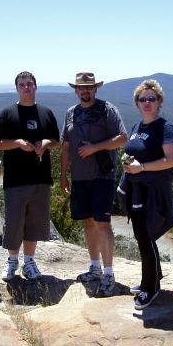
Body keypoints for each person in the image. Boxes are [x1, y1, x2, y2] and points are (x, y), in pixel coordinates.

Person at [60, 72, 128, 297]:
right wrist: (63, 175)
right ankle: (95, 268)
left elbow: (122, 138)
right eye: (81, 87)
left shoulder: (108, 110)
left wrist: (94, 148)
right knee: (88, 222)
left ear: (95, 89)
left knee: (102, 223)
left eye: (89, 87)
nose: (85, 90)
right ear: (76, 90)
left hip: (102, 176)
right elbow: (66, 146)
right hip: (79, 178)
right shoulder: (71, 113)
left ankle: (109, 273)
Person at [0, 71, 60, 282]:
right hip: (15, 179)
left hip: (41, 178)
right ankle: (12, 261)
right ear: (17, 88)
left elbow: (55, 140)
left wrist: (46, 144)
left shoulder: (46, 113)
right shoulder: (7, 113)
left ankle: (29, 262)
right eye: (22, 84)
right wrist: (18, 144)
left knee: (35, 222)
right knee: (14, 222)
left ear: (36, 86)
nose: (26, 87)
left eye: (29, 84)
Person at [118, 80, 173, 309]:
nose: (147, 102)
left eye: (151, 98)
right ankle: (150, 279)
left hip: (153, 191)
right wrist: (130, 165)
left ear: (159, 102)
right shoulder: (137, 127)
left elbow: (170, 160)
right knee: (142, 235)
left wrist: (141, 168)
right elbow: (134, 152)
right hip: (136, 189)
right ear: (136, 102)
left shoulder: (165, 128)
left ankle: (150, 288)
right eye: (142, 99)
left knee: (146, 236)